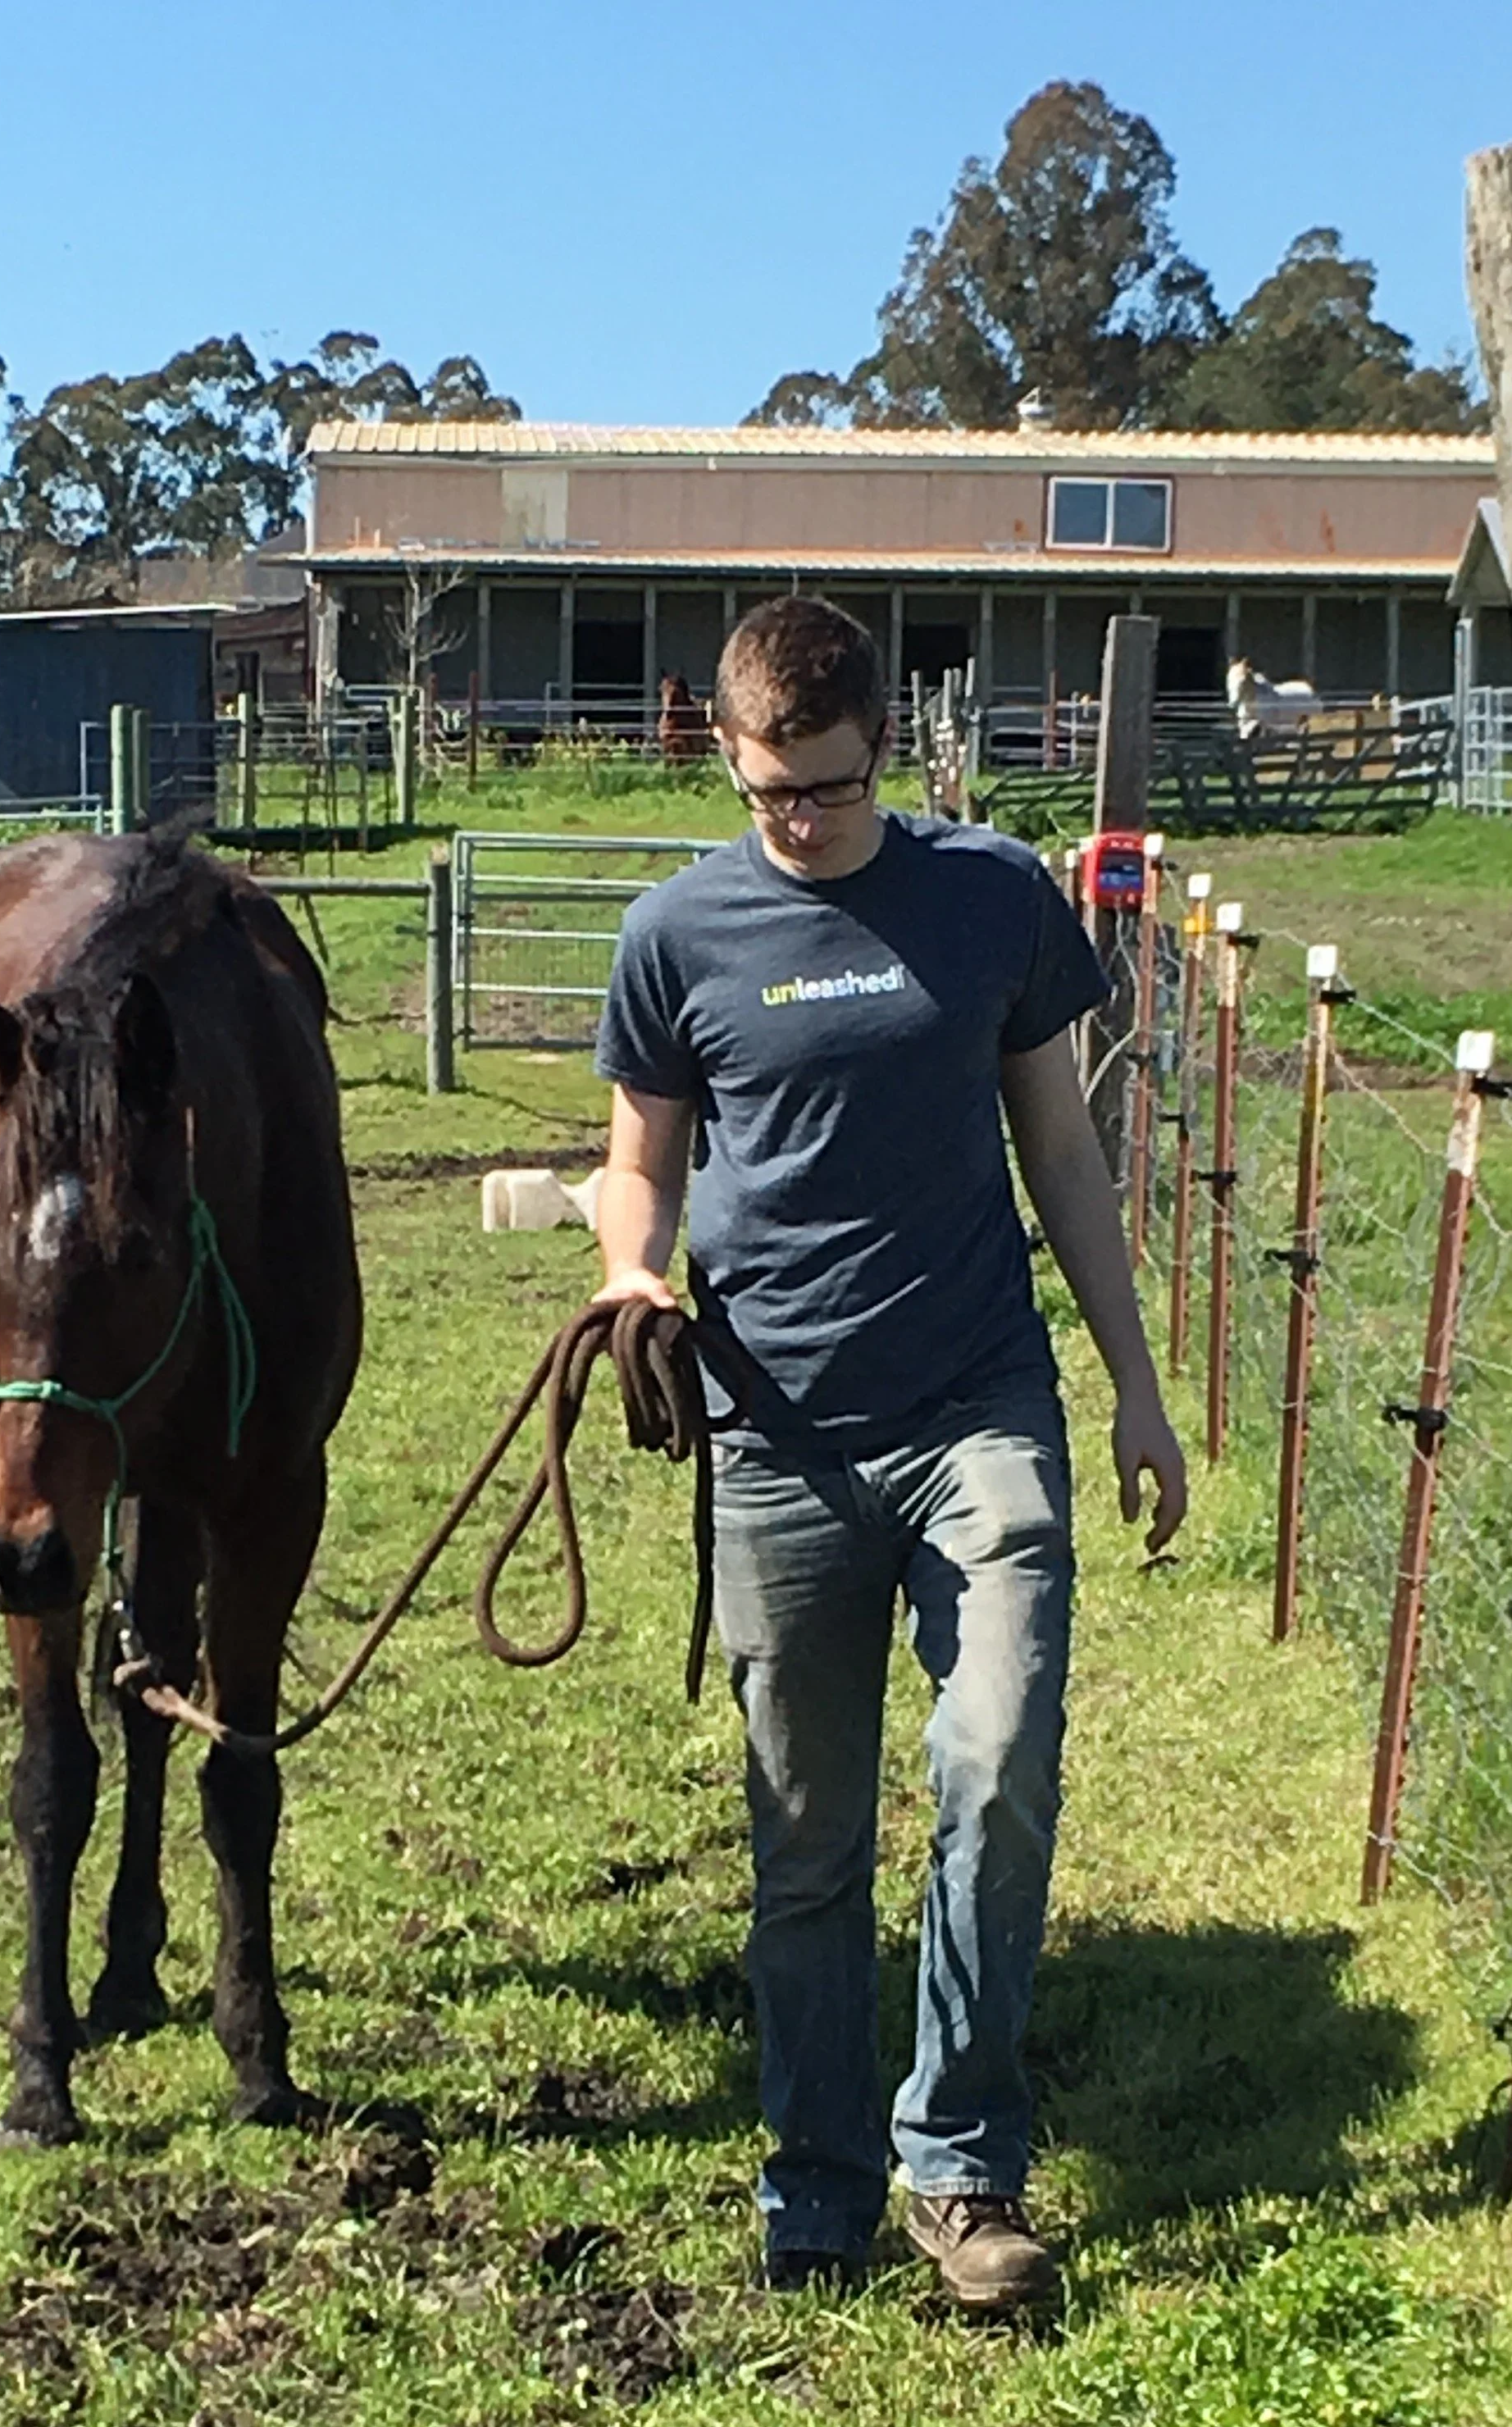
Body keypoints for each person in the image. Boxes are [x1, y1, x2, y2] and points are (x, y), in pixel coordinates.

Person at [591, 597, 1186, 2310]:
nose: (804, 825)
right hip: (774, 1438)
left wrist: (1134, 1385)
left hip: (975, 1408)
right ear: (726, 751)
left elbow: (1063, 1150)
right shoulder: (673, 937)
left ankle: (965, 2166)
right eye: (774, 794)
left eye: (835, 792)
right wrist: (631, 1269)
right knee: (804, 1840)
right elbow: (641, 1159)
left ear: (888, 750)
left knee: (995, 1761)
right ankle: (819, 2177)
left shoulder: (990, 898)